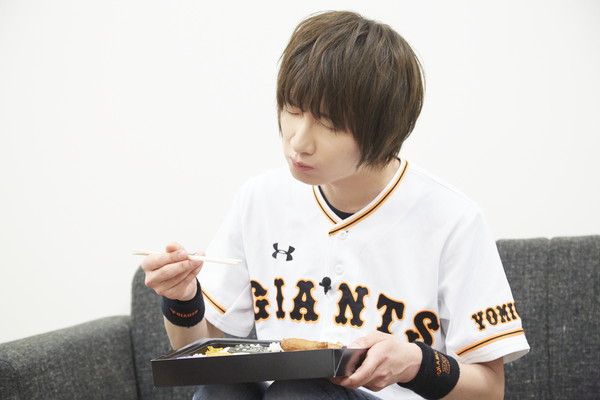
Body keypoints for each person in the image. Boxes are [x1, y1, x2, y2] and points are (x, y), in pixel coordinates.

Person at [142, 10, 529, 400]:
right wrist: (182, 300)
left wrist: (416, 363)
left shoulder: (453, 220)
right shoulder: (259, 199)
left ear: (382, 129)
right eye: (293, 109)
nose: (299, 141)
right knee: (221, 388)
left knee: (300, 393)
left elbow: (490, 389)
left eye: (328, 123)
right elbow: (198, 351)